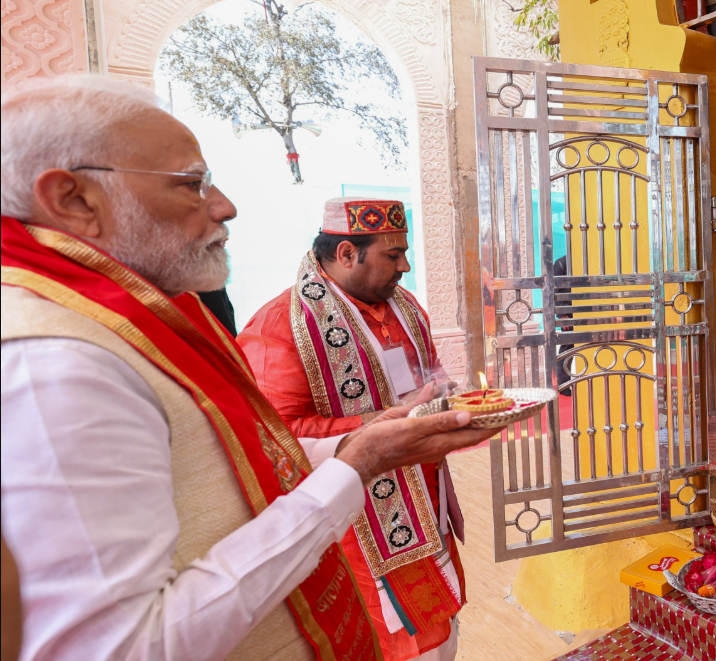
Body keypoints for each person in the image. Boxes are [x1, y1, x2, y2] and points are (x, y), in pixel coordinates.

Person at [0, 75, 499, 661]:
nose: (225, 206)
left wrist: (406, 425)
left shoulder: (141, 317)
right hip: (350, 526)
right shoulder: (53, 358)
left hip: (401, 504)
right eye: (192, 184)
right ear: (75, 200)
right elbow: (112, 645)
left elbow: (248, 448)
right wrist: (362, 455)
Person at [237, 198, 464, 660]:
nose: (405, 266)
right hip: (359, 520)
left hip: (425, 497)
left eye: (404, 253)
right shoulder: (283, 324)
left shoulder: (403, 306)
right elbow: (272, 434)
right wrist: (382, 422)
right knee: (388, 636)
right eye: (391, 256)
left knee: (438, 631)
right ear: (345, 253)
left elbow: (428, 371)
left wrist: (441, 394)